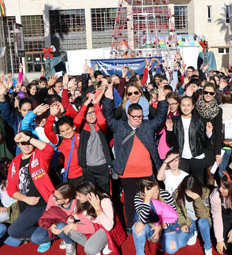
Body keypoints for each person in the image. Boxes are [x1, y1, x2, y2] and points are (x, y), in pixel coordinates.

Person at [103, 84, 168, 233]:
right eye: (135, 117)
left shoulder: (147, 126)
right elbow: (108, 116)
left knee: (151, 200)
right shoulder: (120, 126)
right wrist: (108, 99)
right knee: (130, 201)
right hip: (127, 173)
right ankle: (130, 226)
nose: (139, 119)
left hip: (146, 172)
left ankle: (152, 224)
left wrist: (162, 101)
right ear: (128, 115)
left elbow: (159, 118)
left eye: (140, 116)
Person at [6, 131, 55, 247]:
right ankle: (47, 227)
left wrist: (28, 138)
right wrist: (25, 199)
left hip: (42, 203)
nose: (26, 145)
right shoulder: (14, 162)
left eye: (28, 143)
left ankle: (59, 229)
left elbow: (50, 150)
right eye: (23, 143)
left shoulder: (39, 155)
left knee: (14, 231)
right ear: (18, 145)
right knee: (32, 237)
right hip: (26, 206)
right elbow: (10, 189)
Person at [66, 181, 125, 255]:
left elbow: (109, 226)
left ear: (88, 195)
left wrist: (97, 208)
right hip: (93, 225)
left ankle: (105, 244)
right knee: (70, 230)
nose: (77, 197)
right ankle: (96, 245)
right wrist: (72, 218)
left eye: (79, 195)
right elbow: (80, 215)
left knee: (89, 250)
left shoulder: (104, 200)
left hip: (106, 229)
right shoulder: (82, 201)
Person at [166, 96, 214, 184]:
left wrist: (208, 133)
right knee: (182, 183)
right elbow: (171, 142)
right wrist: (169, 130)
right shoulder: (175, 120)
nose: (186, 108)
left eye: (188, 105)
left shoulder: (199, 120)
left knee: (198, 182)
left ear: (193, 106)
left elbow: (205, 143)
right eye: (183, 105)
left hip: (197, 156)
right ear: (180, 106)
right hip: (181, 157)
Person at [73, 90, 112, 194]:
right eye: (88, 114)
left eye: (93, 113)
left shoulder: (100, 126)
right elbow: (76, 120)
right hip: (87, 167)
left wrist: (95, 104)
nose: (91, 116)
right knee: (91, 194)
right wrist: (86, 103)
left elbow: (102, 121)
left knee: (104, 193)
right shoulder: (83, 127)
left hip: (102, 166)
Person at [132, 178, 180, 255]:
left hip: (165, 225)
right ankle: (140, 253)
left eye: (157, 189)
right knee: (138, 225)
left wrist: (161, 226)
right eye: (153, 193)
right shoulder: (138, 197)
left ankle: (161, 238)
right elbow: (143, 219)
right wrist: (147, 199)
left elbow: (175, 216)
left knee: (172, 249)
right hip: (149, 225)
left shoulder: (165, 194)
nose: (156, 193)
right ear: (144, 193)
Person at [31, 183, 77, 254]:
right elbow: (47, 214)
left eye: (57, 198)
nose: (53, 198)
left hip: (67, 226)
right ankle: (60, 236)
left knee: (60, 226)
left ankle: (69, 242)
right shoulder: (53, 198)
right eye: (53, 195)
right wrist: (50, 227)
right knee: (35, 238)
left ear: (66, 200)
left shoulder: (75, 204)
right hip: (52, 223)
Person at [44, 103, 83, 186]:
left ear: (73, 127)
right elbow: (47, 131)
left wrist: (65, 111)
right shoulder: (60, 140)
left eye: (68, 129)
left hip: (87, 171)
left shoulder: (79, 133)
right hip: (73, 175)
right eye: (63, 131)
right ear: (60, 132)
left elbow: (79, 117)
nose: (66, 132)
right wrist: (52, 116)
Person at [174, 175, 212, 255]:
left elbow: (205, 215)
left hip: (202, 221)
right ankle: (193, 233)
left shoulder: (205, 192)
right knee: (181, 242)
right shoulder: (177, 193)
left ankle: (208, 247)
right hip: (189, 221)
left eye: (191, 193)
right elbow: (178, 211)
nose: (188, 195)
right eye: (186, 192)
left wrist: (197, 199)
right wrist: (182, 223)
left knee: (202, 222)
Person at [195, 82, 223, 186]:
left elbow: (218, 131)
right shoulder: (196, 108)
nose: (208, 95)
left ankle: (210, 196)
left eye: (211, 93)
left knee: (210, 173)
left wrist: (218, 152)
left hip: (211, 145)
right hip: (198, 144)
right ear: (202, 93)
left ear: (214, 94)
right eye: (206, 92)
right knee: (198, 173)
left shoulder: (218, 110)